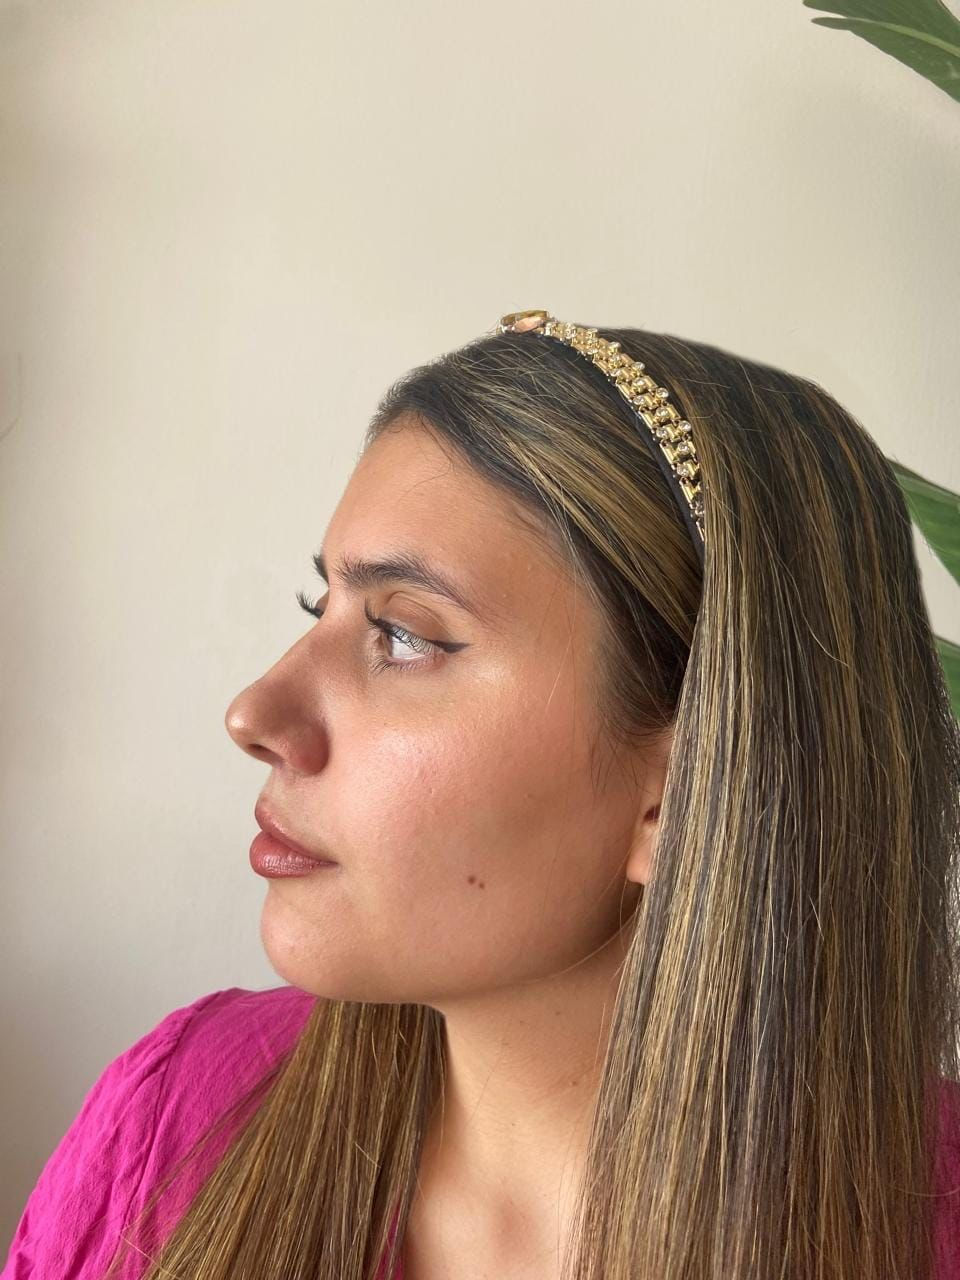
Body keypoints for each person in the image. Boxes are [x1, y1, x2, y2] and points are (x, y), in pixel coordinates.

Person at [3, 312, 959, 1280]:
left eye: (404, 635)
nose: (254, 712)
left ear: (676, 794)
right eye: (319, 606)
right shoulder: (175, 1116)